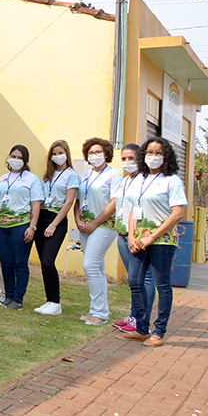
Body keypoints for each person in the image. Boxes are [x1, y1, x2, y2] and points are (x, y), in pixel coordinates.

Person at [119, 137, 187, 347]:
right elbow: (132, 210)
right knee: (135, 281)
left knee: (162, 285)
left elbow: (177, 214)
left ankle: (159, 331)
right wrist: (131, 236)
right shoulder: (140, 179)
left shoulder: (172, 180)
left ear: (166, 156)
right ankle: (141, 328)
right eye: (149, 152)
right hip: (138, 240)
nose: (153, 157)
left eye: (158, 153)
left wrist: (151, 236)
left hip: (162, 241)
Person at [74, 137, 122, 326]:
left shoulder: (114, 175)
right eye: (91, 152)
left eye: (98, 152)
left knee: (90, 266)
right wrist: (77, 219)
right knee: (97, 268)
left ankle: (100, 313)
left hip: (103, 226)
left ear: (106, 154)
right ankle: (98, 310)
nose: (94, 156)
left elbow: (115, 203)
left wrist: (95, 222)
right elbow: (77, 200)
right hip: (84, 226)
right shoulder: (85, 175)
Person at [0, 145, 43, 310]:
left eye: (19, 157)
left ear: (25, 160)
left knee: (20, 262)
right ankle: (9, 295)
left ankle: (18, 299)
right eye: (13, 156)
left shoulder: (31, 179)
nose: (16, 160)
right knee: (5, 263)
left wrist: (32, 226)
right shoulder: (2, 178)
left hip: (21, 225)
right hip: (2, 226)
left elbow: (36, 204)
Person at [110, 143, 155, 333]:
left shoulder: (145, 180)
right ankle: (133, 316)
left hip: (136, 236)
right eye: (124, 158)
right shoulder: (125, 180)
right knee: (134, 279)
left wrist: (135, 235)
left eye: (132, 158)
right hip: (122, 233)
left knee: (144, 278)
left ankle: (142, 319)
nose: (127, 162)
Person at [32, 140, 80, 315]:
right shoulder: (47, 174)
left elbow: (68, 202)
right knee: (43, 264)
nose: (57, 156)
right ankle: (49, 300)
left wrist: (53, 224)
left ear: (66, 153)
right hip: (42, 217)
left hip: (56, 219)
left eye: (60, 152)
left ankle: (56, 302)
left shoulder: (72, 175)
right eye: (54, 153)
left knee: (48, 261)